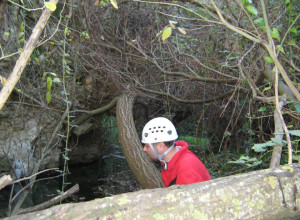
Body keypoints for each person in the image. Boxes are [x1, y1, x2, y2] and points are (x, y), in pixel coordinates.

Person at [142, 117, 211, 187]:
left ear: (161, 146)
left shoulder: (186, 169)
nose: (144, 149)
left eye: (147, 146)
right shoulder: (169, 162)